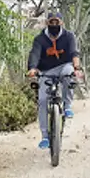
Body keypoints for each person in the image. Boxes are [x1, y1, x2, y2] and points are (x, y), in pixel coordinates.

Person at [27, 12, 82, 150]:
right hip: (45, 71)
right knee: (43, 101)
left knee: (68, 75)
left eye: (57, 22)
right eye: (51, 22)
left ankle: (67, 105)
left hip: (65, 66)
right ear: (47, 23)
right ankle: (45, 136)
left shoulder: (69, 36)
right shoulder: (39, 39)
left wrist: (77, 68)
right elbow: (34, 54)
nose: (54, 25)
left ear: (62, 23)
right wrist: (33, 69)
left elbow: (74, 53)